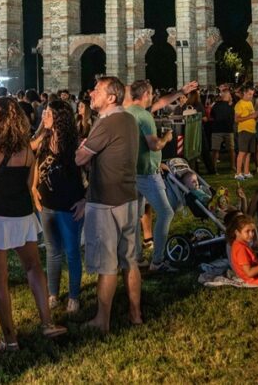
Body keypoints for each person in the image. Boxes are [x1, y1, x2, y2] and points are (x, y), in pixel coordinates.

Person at [0, 98, 66, 349]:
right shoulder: (26, 151)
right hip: (21, 215)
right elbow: (29, 183)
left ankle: (10, 339)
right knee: (34, 268)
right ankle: (47, 323)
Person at [74, 76, 142, 333]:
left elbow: (80, 158)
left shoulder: (106, 123)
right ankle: (135, 314)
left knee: (107, 264)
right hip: (129, 196)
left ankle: (102, 320)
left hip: (105, 201)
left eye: (97, 90)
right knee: (130, 260)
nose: (91, 93)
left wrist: (82, 148)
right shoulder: (129, 119)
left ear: (111, 97)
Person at [125, 80, 194, 273]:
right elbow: (154, 145)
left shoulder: (129, 112)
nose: (153, 96)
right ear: (146, 94)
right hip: (147, 173)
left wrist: (180, 91)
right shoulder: (145, 116)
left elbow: (161, 103)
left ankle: (137, 258)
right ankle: (158, 261)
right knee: (166, 212)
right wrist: (167, 138)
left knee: (135, 217)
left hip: (131, 172)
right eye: (152, 93)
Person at [34, 100, 86, 314]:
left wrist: (85, 200)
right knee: (52, 251)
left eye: (48, 113)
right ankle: (53, 294)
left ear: (59, 117)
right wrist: (33, 188)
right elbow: (35, 163)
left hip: (69, 206)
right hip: (46, 205)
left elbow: (91, 174)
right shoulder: (44, 140)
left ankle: (74, 297)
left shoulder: (75, 145)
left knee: (72, 252)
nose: (43, 116)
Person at [233, 86, 258, 180]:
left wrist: (257, 115)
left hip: (252, 130)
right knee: (242, 152)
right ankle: (238, 173)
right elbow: (237, 119)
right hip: (244, 130)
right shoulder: (239, 104)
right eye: (249, 94)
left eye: (252, 94)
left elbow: (252, 116)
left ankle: (246, 172)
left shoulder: (250, 103)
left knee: (249, 153)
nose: (251, 96)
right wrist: (251, 116)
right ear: (244, 93)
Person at [207, 88, 235, 174]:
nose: (230, 96)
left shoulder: (217, 105)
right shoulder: (230, 105)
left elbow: (212, 116)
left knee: (216, 150)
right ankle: (232, 166)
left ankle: (214, 168)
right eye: (229, 95)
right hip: (226, 130)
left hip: (219, 130)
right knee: (230, 150)